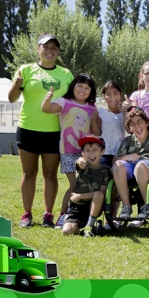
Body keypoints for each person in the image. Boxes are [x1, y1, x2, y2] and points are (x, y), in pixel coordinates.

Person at [8, 33, 74, 228]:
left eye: (54, 48)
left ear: (58, 52)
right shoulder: (25, 70)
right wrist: (17, 85)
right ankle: (26, 214)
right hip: (28, 129)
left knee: (50, 174)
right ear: (38, 49)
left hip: (54, 132)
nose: (50, 51)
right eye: (46, 47)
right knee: (29, 173)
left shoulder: (66, 74)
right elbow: (12, 98)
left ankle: (48, 214)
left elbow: (74, 100)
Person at [41, 73, 99, 229]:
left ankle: (80, 215)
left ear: (91, 91)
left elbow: (96, 132)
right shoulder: (64, 102)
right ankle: (63, 215)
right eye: (80, 85)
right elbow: (46, 109)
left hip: (85, 154)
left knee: (85, 185)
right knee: (74, 185)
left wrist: (94, 118)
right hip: (67, 152)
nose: (82, 90)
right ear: (73, 86)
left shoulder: (92, 107)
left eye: (87, 88)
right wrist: (47, 98)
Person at [112, 106, 149, 220]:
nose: (137, 126)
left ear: (147, 123)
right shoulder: (128, 141)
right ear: (130, 128)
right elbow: (115, 160)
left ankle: (148, 205)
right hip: (132, 167)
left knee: (140, 166)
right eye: (133, 124)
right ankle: (126, 206)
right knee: (117, 166)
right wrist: (128, 156)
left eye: (139, 122)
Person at [62, 135, 111, 237]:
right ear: (83, 153)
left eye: (95, 150)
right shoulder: (81, 165)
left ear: (102, 152)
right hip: (78, 207)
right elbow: (80, 162)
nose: (91, 153)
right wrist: (80, 161)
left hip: (94, 205)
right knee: (66, 232)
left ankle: (89, 226)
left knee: (98, 195)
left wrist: (80, 196)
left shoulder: (106, 170)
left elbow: (101, 193)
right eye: (87, 150)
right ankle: (81, 223)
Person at [94, 80, 127, 167]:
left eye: (115, 93)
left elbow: (129, 130)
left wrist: (124, 113)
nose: (112, 97)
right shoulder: (100, 112)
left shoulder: (125, 113)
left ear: (120, 94)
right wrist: (93, 118)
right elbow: (97, 133)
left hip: (121, 153)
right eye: (108, 94)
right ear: (104, 96)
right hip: (105, 153)